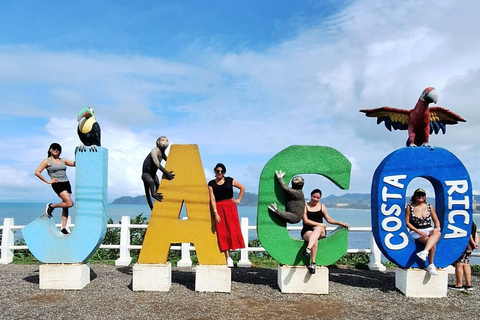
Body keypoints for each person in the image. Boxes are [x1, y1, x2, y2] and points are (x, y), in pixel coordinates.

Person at [301, 189, 349, 274]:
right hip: (307, 230)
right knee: (314, 238)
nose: (315, 199)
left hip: (320, 231)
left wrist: (340, 223)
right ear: (311, 196)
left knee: (318, 229)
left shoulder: (322, 206)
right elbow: (306, 221)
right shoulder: (305, 206)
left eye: (318, 198)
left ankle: (308, 249)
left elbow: (329, 219)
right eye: (314, 197)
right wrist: (320, 224)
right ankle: (313, 263)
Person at [208, 163, 245, 267]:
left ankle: (232, 254)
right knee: (222, 231)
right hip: (219, 208)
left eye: (222, 171)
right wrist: (215, 213)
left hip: (230, 207)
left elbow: (242, 187)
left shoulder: (229, 180)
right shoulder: (211, 183)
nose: (220, 173)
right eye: (218, 171)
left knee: (233, 230)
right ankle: (228, 257)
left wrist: (238, 200)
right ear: (215, 172)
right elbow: (212, 199)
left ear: (224, 172)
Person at [34, 143, 75, 235]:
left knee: (66, 206)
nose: (56, 150)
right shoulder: (47, 161)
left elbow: (74, 163)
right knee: (69, 203)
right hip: (57, 184)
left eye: (58, 149)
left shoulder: (63, 160)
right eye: (54, 148)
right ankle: (51, 206)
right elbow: (37, 172)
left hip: (66, 183)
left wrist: (81, 153)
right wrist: (48, 181)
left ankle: (63, 228)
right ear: (50, 150)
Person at [405, 188, 441, 275]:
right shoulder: (410, 208)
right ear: (415, 196)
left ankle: (424, 252)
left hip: (428, 228)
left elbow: (436, 220)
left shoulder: (429, 207)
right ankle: (431, 264)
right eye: (419, 195)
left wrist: (437, 227)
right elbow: (407, 222)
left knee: (438, 233)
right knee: (432, 243)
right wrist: (418, 232)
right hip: (416, 230)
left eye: (422, 195)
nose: (421, 197)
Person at [452, 222, 479, 291]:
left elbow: (468, 234)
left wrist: (472, 243)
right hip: (470, 247)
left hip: (463, 245)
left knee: (459, 264)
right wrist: (475, 244)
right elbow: (475, 235)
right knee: (466, 264)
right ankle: (468, 284)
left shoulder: (464, 222)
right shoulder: (473, 223)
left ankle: (459, 284)